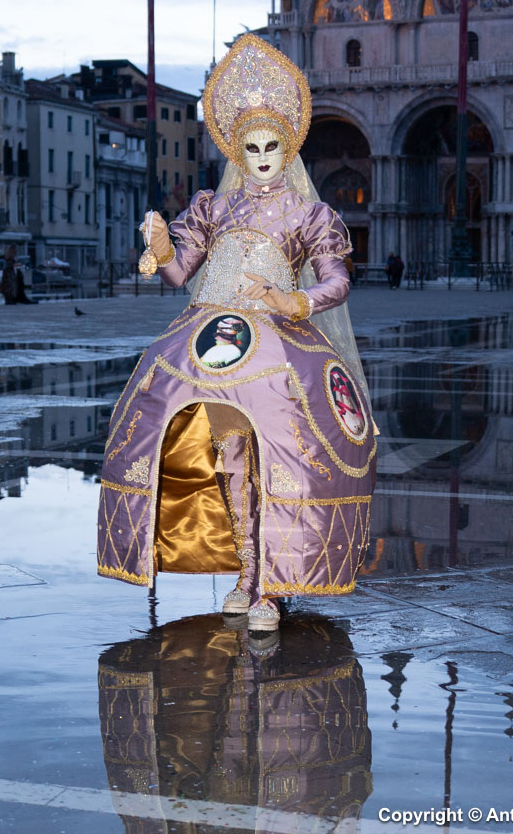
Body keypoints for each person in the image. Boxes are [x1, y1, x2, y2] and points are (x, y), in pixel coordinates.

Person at [99, 35, 376, 633]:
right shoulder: (212, 208)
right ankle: (249, 576)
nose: (263, 156)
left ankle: (271, 587)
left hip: (279, 345)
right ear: (236, 152)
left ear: (289, 146)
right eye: (251, 147)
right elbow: (178, 274)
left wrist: (291, 299)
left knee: (278, 456)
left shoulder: (309, 215)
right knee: (229, 455)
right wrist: (160, 245)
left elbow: (338, 280)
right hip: (211, 341)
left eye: (273, 145)